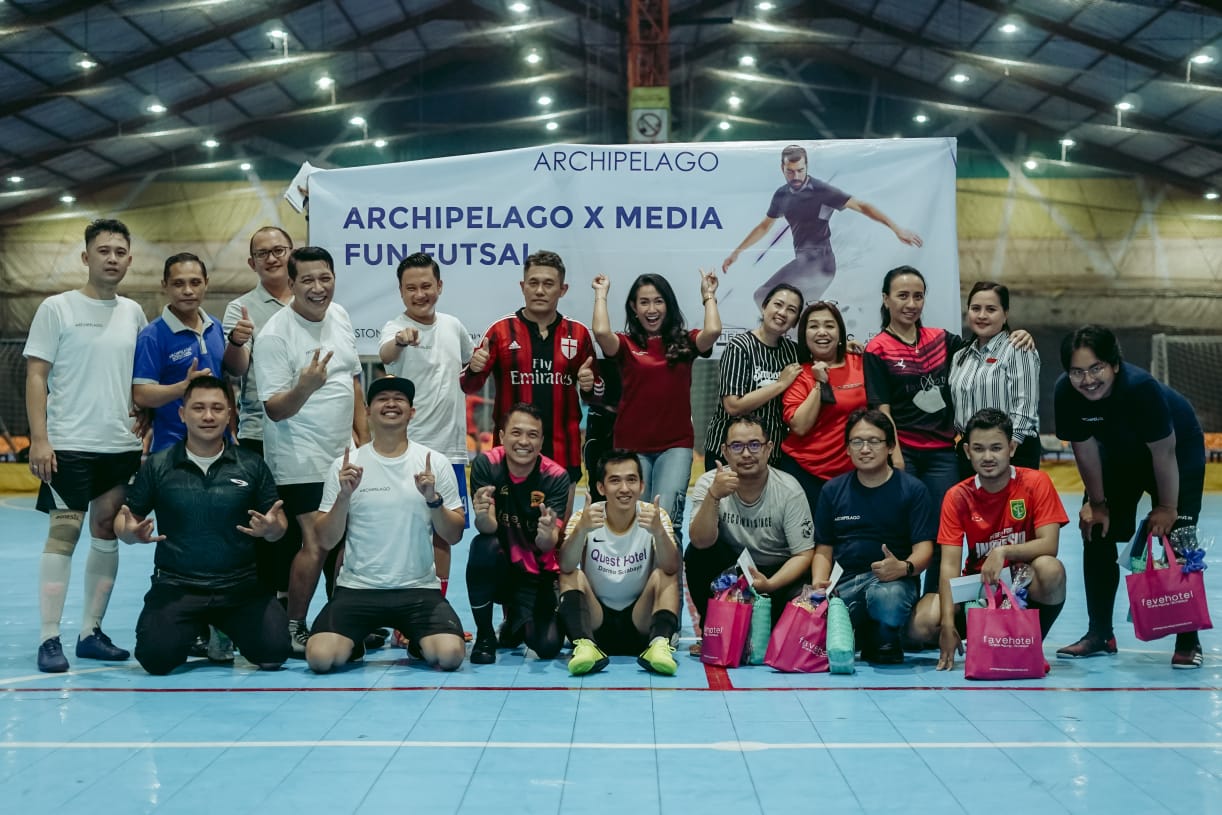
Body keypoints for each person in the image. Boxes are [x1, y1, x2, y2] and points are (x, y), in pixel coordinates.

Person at [24, 218, 147, 673]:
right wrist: (40, 438)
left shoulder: (134, 312)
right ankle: (49, 637)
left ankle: (90, 632)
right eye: (103, 251)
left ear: (129, 260)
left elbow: (138, 380)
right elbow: (36, 375)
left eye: (119, 252)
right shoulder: (57, 308)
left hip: (119, 446)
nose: (112, 258)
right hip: (69, 446)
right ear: (86, 257)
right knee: (64, 535)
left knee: (104, 531)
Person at [864, 266, 1032, 593]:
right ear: (886, 300)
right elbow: (881, 409)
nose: (911, 303)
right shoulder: (877, 348)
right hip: (905, 454)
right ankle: (904, 601)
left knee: (945, 535)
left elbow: (983, 345)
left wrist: (1019, 333)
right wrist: (895, 456)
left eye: (918, 296)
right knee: (906, 532)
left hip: (942, 454)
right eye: (902, 296)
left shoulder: (943, 340)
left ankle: (935, 601)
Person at [1053, 326, 1207, 668]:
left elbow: (1163, 453)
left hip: (1177, 453)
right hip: (1119, 456)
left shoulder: (1141, 390)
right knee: (1095, 529)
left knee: (1178, 539)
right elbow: (1084, 447)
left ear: (1115, 365)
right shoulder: (1066, 393)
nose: (1087, 380)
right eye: (1077, 372)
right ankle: (1100, 634)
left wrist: (1167, 507)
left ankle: (1188, 639)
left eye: (1096, 369)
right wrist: (1097, 504)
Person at [116, 376, 291, 675]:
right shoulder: (158, 465)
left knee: (274, 654)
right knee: (156, 660)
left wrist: (271, 529)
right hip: (177, 586)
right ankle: (196, 624)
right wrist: (130, 533)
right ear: (183, 414)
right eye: (198, 408)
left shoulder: (251, 465)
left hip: (240, 588)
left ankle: (221, 627)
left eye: (216, 408)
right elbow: (125, 519)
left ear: (229, 414)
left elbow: (279, 526)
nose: (208, 416)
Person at [304, 377, 467, 673]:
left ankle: (419, 641)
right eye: (382, 398)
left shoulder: (434, 463)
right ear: (367, 410)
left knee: (450, 655)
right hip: (357, 588)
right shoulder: (346, 465)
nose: (391, 403)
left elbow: (453, 534)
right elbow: (326, 540)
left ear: (412, 411)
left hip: (418, 590)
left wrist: (433, 500)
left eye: (399, 399)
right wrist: (343, 497)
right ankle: (355, 641)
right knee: (320, 658)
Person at [253, 246, 368, 655]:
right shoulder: (273, 337)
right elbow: (274, 409)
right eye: (308, 280)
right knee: (316, 542)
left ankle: (343, 620)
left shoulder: (340, 316)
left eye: (325, 278)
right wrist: (305, 388)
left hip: (343, 456)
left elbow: (354, 383)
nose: (318, 288)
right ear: (292, 283)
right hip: (298, 459)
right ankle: (293, 626)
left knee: (344, 543)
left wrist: (365, 443)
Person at [903, 408, 1067, 671]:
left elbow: (1050, 544)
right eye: (979, 449)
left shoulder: (1036, 482)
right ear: (967, 452)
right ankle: (979, 637)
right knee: (920, 623)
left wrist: (1004, 552)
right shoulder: (957, 495)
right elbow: (948, 567)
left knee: (1051, 569)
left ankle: (1029, 643)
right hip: (978, 586)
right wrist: (946, 624)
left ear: (1011, 448)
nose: (988, 456)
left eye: (996, 448)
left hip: (1018, 582)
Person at [460, 250, 598, 517]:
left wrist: (590, 385)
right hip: (509, 458)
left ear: (563, 289)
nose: (540, 290)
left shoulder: (579, 334)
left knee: (556, 540)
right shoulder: (500, 331)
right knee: (506, 538)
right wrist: (473, 369)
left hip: (563, 454)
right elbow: (469, 386)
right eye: (533, 283)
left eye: (548, 284)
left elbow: (596, 396)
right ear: (522, 287)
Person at [591, 270, 720, 539]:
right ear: (634, 308)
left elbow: (714, 331)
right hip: (631, 448)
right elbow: (601, 331)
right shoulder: (625, 344)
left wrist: (708, 295)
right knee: (633, 525)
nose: (652, 309)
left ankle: (670, 583)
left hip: (675, 448)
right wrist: (601, 294)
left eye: (658, 301)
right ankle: (636, 581)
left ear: (668, 305)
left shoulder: (685, 342)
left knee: (666, 524)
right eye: (644, 302)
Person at [378, 252, 474, 601]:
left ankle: (437, 609)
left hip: (452, 452)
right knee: (406, 532)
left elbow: (468, 362)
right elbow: (387, 353)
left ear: (439, 286)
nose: (420, 294)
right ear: (401, 292)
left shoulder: (454, 326)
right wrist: (402, 340)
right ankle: (404, 612)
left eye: (426, 286)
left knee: (445, 534)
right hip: (409, 453)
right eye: (411, 288)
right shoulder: (394, 328)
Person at [722, 143, 923, 306]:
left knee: (764, 296)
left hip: (820, 263)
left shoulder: (821, 190)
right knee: (787, 306)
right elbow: (764, 227)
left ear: (807, 166)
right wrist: (737, 252)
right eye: (790, 172)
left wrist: (897, 229)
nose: (796, 176)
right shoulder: (781, 195)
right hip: (804, 262)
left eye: (800, 170)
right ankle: (797, 346)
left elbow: (862, 206)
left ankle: (793, 343)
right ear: (782, 169)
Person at [810, 409, 935, 664]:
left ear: (890, 446)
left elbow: (924, 550)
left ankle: (886, 634)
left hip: (893, 583)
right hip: (845, 584)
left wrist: (903, 567)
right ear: (847, 448)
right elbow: (824, 549)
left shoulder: (912, 490)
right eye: (857, 442)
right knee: (809, 620)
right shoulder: (832, 491)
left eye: (873, 441)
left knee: (887, 599)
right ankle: (868, 633)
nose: (864, 449)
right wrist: (819, 584)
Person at [686, 415, 815, 644]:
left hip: (777, 575)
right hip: (734, 574)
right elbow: (700, 542)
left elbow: (804, 555)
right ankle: (714, 626)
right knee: (696, 556)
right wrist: (714, 496)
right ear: (724, 451)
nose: (746, 454)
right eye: (737, 446)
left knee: (794, 619)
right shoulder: (709, 483)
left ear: (768, 449)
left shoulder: (789, 490)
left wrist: (771, 584)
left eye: (754, 445)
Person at [557, 450, 681, 676]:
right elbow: (565, 566)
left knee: (664, 574)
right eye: (615, 480)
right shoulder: (585, 517)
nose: (624, 488)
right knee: (571, 575)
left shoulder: (655, 516)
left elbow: (672, 568)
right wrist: (582, 529)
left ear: (642, 486)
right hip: (596, 622)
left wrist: (659, 533)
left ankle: (659, 644)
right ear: (600, 488)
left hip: (640, 621)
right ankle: (584, 646)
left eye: (631, 480)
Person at [466, 403, 571, 664]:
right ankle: (486, 635)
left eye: (532, 435)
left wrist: (547, 533)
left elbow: (547, 545)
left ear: (541, 440)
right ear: (502, 436)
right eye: (516, 433)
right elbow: (487, 528)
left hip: (537, 572)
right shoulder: (486, 466)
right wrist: (481, 515)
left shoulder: (556, 477)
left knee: (547, 647)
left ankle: (516, 619)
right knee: (483, 545)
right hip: (501, 567)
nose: (524, 441)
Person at [132, 252, 227, 453]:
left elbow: (224, 383)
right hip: (172, 448)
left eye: (195, 282)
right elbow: (141, 394)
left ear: (206, 283)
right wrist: (182, 388)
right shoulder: (153, 335)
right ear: (164, 285)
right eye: (178, 284)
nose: (188, 291)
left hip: (219, 447)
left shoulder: (215, 327)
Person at [780, 300, 868, 517]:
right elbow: (799, 427)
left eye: (829, 325)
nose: (822, 332)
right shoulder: (798, 374)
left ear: (840, 332)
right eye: (813, 326)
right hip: (806, 472)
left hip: (855, 473)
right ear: (804, 334)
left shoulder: (861, 362)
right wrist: (819, 382)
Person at [702, 283, 802, 471]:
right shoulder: (740, 346)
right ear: (764, 306)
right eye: (778, 304)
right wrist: (780, 385)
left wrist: (843, 346)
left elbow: (822, 352)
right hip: (729, 451)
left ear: (796, 321)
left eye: (791, 310)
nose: (782, 313)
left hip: (770, 454)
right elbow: (733, 406)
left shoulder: (794, 352)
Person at [948, 282, 1041, 478]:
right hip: (971, 453)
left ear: (1005, 313)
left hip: (1014, 451)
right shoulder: (959, 356)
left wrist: (1009, 446)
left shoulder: (1017, 348)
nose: (982, 315)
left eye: (991, 309)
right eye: (975, 309)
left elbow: (1025, 405)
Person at [221, 226, 294, 459]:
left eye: (278, 251)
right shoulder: (240, 308)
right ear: (252, 263)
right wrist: (235, 342)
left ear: (292, 254)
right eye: (262, 254)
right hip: (260, 432)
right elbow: (236, 368)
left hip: (313, 430)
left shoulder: (312, 302)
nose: (271, 259)